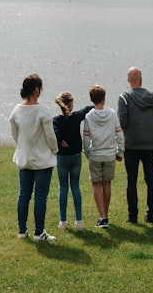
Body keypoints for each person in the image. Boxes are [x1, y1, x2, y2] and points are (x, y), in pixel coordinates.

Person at [8, 73, 59, 241]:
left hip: (24, 158)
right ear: (37, 90)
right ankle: (39, 232)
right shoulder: (43, 110)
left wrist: (22, 146)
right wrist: (54, 150)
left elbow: (14, 134)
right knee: (40, 196)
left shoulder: (17, 110)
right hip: (42, 159)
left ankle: (22, 230)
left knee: (24, 195)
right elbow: (50, 136)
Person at [117, 67, 153, 224]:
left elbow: (122, 122)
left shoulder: (124, 98)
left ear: (128, 80)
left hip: (132, 144)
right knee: (151, 180)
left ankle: (133, 216)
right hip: (151, 145)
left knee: (132, 181)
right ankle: (150, 215)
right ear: (141, 79)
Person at [82, 84, 124, 229]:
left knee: (96, 184)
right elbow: (120, 135)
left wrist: (87, 153)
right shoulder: (112, 114)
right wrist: (120, 152)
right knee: (107, 184)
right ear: (104, 99)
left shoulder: (89, 116)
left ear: (92, 99)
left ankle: (103, 217)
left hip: (95, 154)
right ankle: (104, 215)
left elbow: (86, 139)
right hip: (110, 154)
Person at [53, 91, 92, 231]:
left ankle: (63, 222)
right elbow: (88, 109)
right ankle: (79, 221)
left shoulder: (56, 120)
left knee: (63, 188)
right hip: (75, 156)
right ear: (71, 104)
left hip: (62, 157)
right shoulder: (76, 117)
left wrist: (60, 142)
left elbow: (54, 134)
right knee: (75, 186)